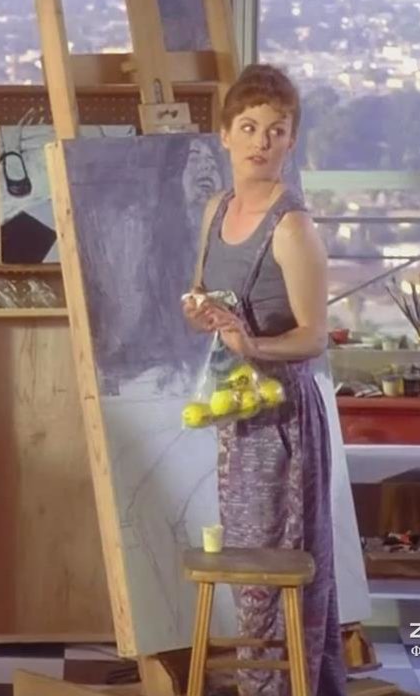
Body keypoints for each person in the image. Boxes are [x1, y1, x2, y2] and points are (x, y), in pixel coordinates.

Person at [181, 63, 346, 696]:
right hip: (238, 412)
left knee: (276, 568)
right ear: (225, 134)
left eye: (276, 130)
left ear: (290, 141)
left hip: (283, 420)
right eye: (248, 127)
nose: (261, 142)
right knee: (247, 569)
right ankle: (262, 683)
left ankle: (278, 687)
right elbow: (207, 293)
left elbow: (314, 336)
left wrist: (251, 343)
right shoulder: (217, 210)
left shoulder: (292, 227)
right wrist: (200, 311)